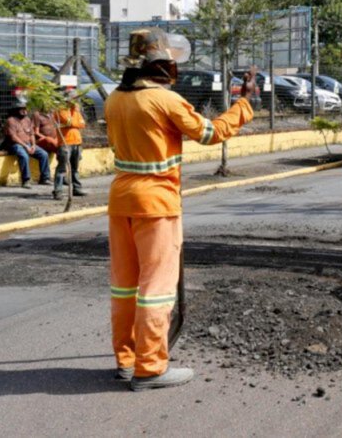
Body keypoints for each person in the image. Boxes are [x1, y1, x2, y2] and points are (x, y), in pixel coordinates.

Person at [105, 28, 255, 391]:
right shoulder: (164, 100)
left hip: (121, 198)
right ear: (161, 66)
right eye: (171, 63)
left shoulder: (115, 99)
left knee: (124, 286)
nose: (175, 70)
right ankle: (151, 368)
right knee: (156, 287)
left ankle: (127, 361)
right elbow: (210, 133)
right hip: (156, 203)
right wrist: (244, 103)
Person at [3, 98, 51, 189]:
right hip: (15, 145)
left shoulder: (27, 119)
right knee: (24, 156)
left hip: (28, 144)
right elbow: (13, 137)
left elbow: (32, 134)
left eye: (25, 109)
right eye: (22, 109)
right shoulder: (11, 120)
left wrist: (33, 145)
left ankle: (45, 178)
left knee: (44, 154)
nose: (25, 111)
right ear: (16, 109)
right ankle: (26, 180)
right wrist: (26, 146)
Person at [52, 86, 86, 200]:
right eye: (74, 98)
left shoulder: (75, 110)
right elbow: (69, 121)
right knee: (62, 168)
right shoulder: (60, 110)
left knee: (75, 168)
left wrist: (74, 123)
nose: (76, 101)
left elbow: (82, 123)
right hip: (65, 143)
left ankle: (76, 188)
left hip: (77, 142)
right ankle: (58, 191)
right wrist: (74, 123)